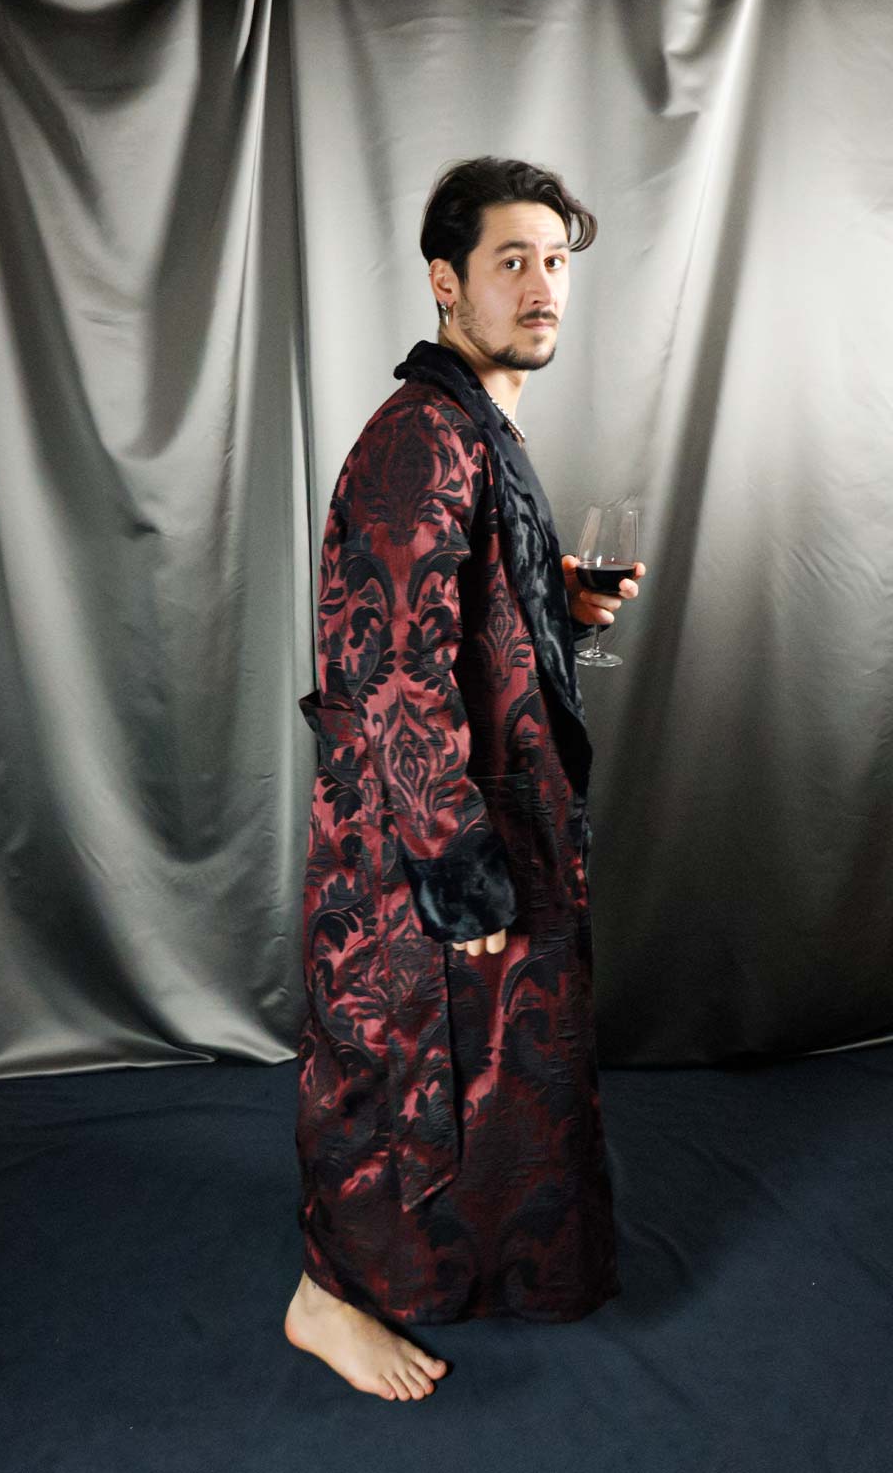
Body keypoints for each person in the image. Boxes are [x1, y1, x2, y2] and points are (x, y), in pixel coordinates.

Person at [284, 157, 646, 1403]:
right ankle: (325, 1298)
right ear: (446, 283)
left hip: (487, 818)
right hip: (417, 837)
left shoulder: (473, 424)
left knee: (491, 1071)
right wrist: (454, 864)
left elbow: (455, 613)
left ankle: (466, 1271)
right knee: (398, 1062)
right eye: (511, 262)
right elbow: (391, 669)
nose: (543, 286)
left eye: (554, 261)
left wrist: (557, 603)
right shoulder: (419, 439)